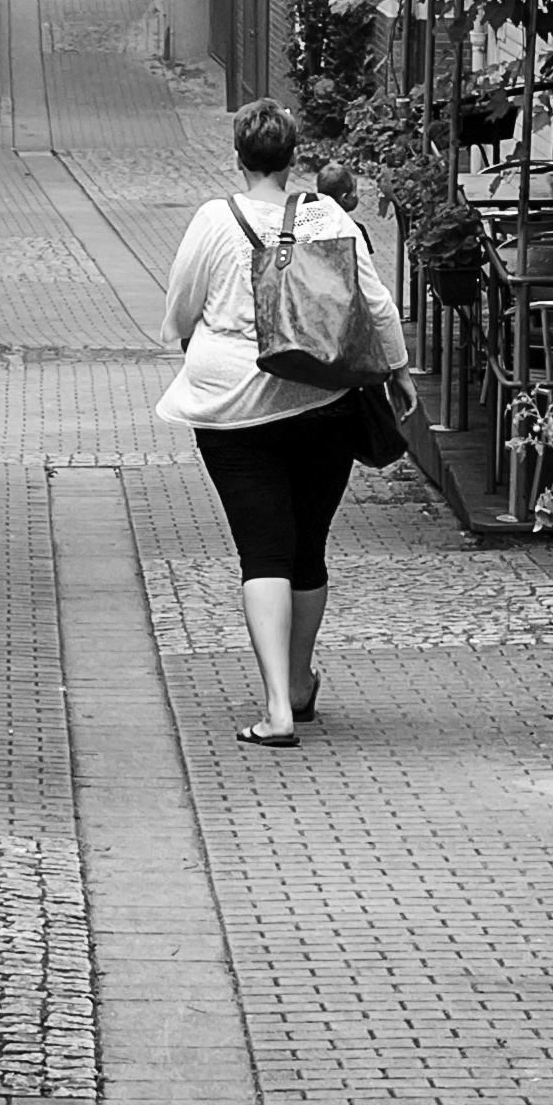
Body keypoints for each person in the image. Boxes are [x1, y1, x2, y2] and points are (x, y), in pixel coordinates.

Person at [158, 98, 411, 747]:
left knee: (261, 550)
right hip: (322, 401)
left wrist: (193, 337)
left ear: (239, 157)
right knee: (306, 550)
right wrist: (398, 370)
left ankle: (274, 707)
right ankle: (298, 683)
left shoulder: (215, 220)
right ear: (292, 155)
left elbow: (180, 309)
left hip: (232, 411)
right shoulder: (327, 215)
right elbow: (375, 305)